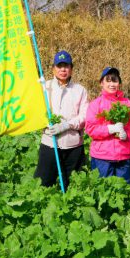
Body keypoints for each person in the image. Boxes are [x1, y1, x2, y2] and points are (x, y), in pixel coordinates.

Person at [35, 50, 89, 189]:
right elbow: (36, 110)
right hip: (50, 143)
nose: (63, 69)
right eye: (59, 66)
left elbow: (84, 116)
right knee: (44, 182)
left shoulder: (80, 90)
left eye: (66, 66)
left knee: (73, 184)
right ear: (53, 68)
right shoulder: (45, 87)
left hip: (73, 145)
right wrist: (45, 122)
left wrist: (66, 125)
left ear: (71, 69)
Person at [85, 67, 130, 183]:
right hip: (102, 157)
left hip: (123, 155)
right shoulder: (96, 104)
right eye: (108, 80)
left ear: (119, 83)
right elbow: (90, 129)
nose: (112, 84)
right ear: (102, 83)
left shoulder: (127, 103)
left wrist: (127, 134)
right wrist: (110, 129)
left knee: (123, 190)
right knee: (103, 191)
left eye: (115, 80)